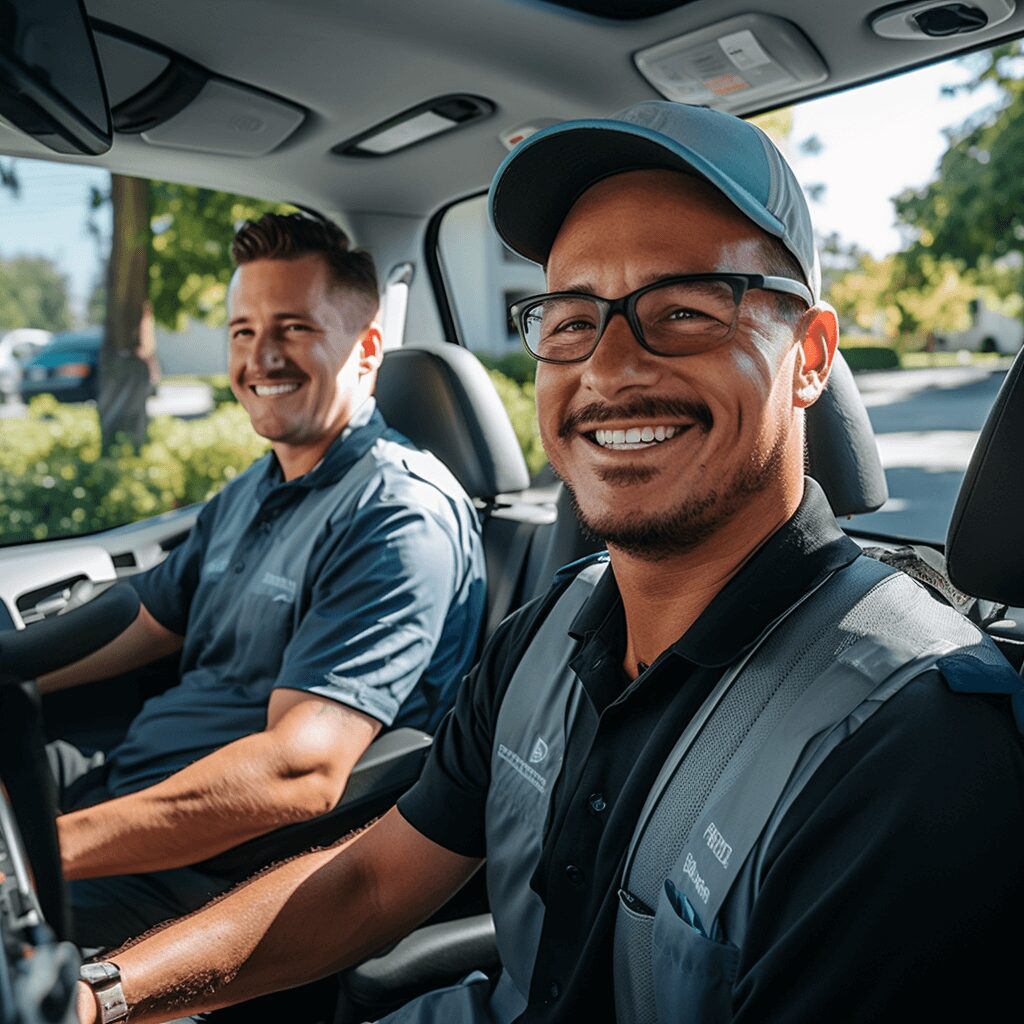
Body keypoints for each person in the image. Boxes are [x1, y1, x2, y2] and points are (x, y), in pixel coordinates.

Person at [75, 105, 1024, 1024]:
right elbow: (371, 880)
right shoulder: (550, 631)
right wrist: (102, 995)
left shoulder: (909, 744)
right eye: (571, 320)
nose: (608, 369)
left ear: (809, 355)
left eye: (685, 309)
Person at [41, 212, 486, 949]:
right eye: (242, 332)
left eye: (293, 329)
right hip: (132, 786)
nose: (261, 357)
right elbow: (146, 618)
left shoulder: (397, 515)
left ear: (366, 348)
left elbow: (299, 771)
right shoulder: (253, 488)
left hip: (210, 871)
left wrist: (39, 850)